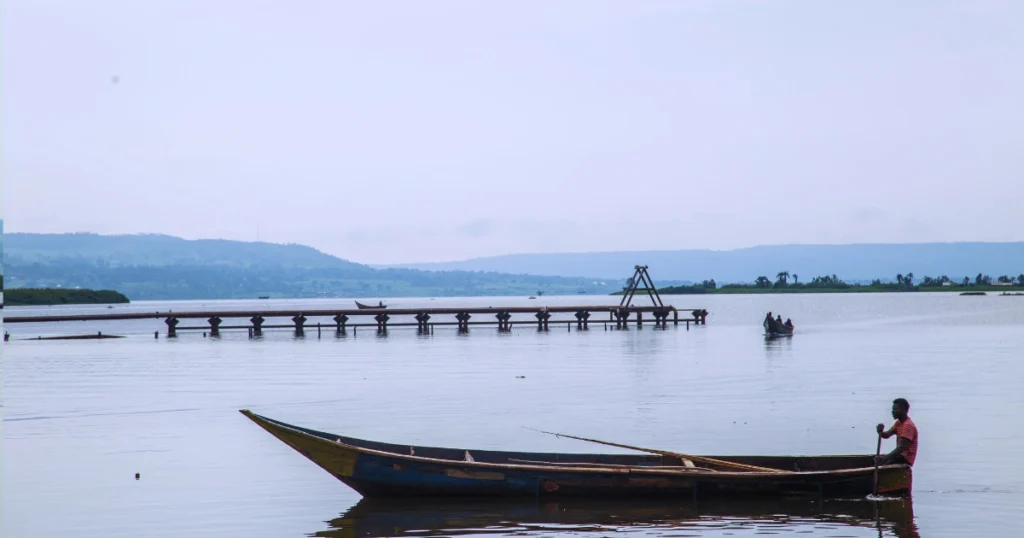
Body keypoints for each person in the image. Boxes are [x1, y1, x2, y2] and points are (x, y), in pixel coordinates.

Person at [876, 398, 918, 466]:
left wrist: (885, 458)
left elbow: (901, 448)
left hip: (905, 459)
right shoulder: (898, 423)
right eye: (893, 409)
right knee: (875, 461)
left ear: (903, 410)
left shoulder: (908, 425)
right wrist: (880, 432)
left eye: (895, 409)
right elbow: (887, 435)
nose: (892, 411)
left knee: (882, 463)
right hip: (899, 456)